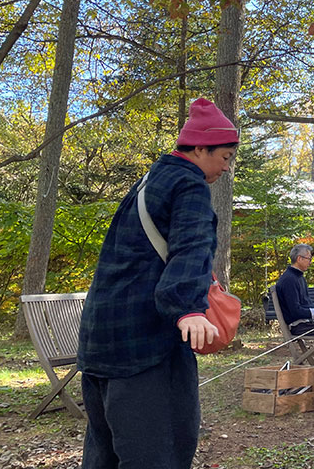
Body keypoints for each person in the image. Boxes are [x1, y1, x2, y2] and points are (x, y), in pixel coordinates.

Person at [77, 97, 239, 469]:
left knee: (104, 457)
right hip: (146, 350)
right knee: (159, 455)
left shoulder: (152, 178)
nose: (227, 168)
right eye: (225, 157)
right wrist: (187, 309)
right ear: (200, 148)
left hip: (100, 344)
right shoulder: (189, 185)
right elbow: (192, 245)